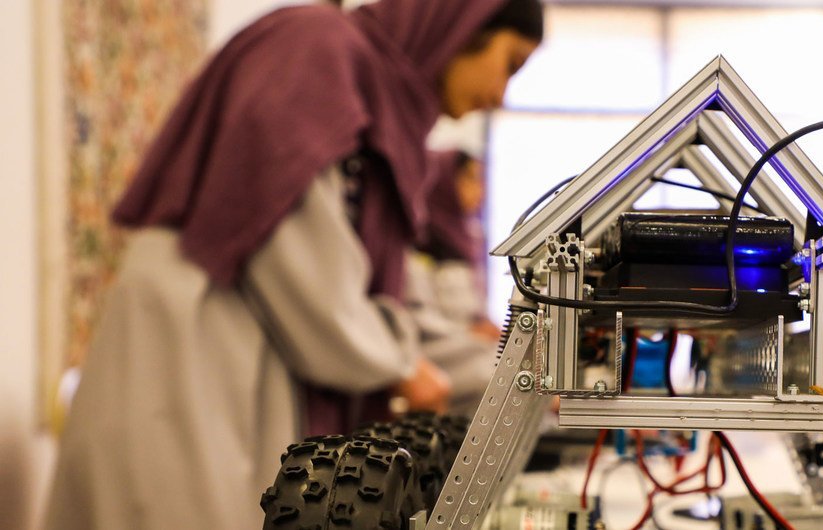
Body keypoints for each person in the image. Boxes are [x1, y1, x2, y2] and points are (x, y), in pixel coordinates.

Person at [45, 1, 543, 529]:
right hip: (192, 356)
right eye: (509, 64)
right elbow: (306, 274)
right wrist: (400, 366)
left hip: (238, 358)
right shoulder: (316, 48)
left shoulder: (374, 95)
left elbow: (354, 290)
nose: (499, 95)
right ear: (461, 25)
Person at [404, 150, 499, 415]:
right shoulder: (417, 242)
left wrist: (483, 326)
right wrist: (469, 334)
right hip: (437, 360)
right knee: (505, 374)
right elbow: (419, 321)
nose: (480, 189)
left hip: (464, 351)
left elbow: (469, 310)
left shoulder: (467, 238)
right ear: (443, 182)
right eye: (470, 179)